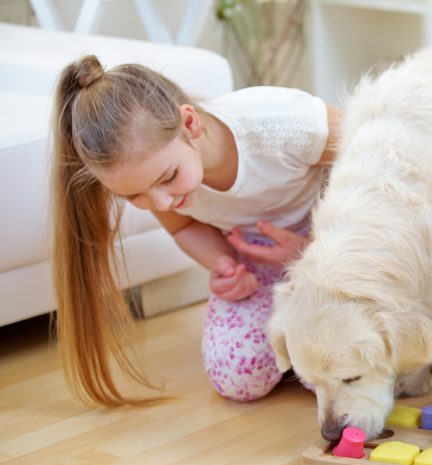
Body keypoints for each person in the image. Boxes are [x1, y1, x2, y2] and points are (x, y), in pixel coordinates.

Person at [51, 55, 342, 406]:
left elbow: (375, 173)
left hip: (338, 247)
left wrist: (312, 250)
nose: (161, 203)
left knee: (336, 371)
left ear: (189, 123)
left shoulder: (283, 121)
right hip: (257, 258)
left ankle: (301, 352)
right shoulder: (158, 186)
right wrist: (222, 264)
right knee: (237, 377)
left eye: (168, 177)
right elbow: (186, 226)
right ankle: (292, 350)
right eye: (133, 195)